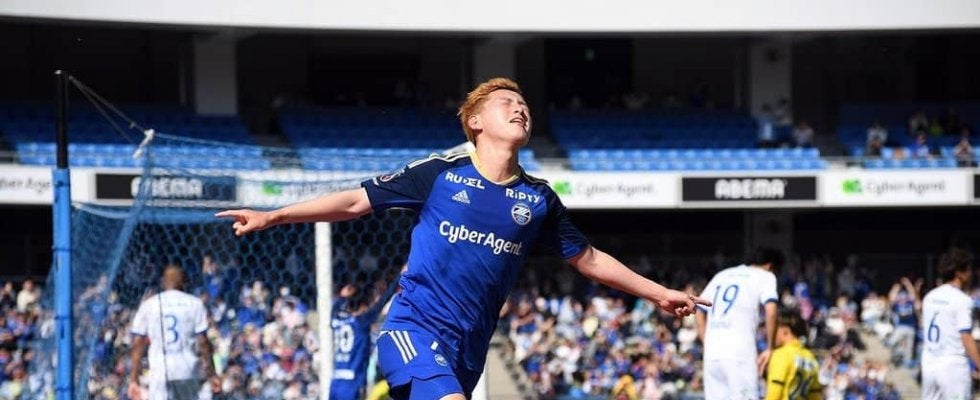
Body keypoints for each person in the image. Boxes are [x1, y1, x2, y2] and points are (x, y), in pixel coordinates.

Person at [216, 77, 709, 400]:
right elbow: (353, 202)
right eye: (506, 103)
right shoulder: (440, 173)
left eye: (524, 104)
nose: (520, 109)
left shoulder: (538, 198)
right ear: (475, 122)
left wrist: (658, 292)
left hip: (469, 349)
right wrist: (274, 216)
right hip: (412, 330)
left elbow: (590, 259)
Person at [696, 247, 783, 400]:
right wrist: (770, 348)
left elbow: (699, 309)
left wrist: (706, 341)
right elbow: (771, 311)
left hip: (712, 354)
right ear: (770, 266)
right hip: (740, 353)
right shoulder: (766, 276)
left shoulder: (722, 275)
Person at [128, 265, 219, 400]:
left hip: (160, 370)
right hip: (187, 369)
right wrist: (212, 374)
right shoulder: (194, 303)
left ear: (163, 282)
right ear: (184, 282)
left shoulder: (149, 305)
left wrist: (134, 378)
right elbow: (203, 341)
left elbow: (138, 343)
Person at [920, 248, 980, 400]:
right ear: (959, 273)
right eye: (968, 270)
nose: (971, 274)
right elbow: (965, 337)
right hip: (953, 366)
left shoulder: (929, 297)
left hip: (929, 363)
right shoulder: (962, 300)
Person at [330, 277, 400, 400]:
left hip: (336, 381)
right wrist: (399, 278)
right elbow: (382, 301)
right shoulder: (361, 322)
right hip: (352, 383)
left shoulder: (337, 321)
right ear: (363, 305)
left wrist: (342, 297)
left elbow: (333, 312)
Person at [764, 309, 821, 400]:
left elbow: (775, 393)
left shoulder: (781, 355)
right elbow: (815, 396)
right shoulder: (811, 358)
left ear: (785, 330)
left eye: (775, 328)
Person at [886, 277, 919, 368]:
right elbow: (891, 298)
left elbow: (913, 295)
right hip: (900, 326)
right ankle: (895, 356)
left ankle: (906, 364)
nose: (903, 298)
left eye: (904, 296)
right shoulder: (897, 305)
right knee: (891, 342)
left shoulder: (910, 303)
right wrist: (896, 287)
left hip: (911, 327)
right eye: (901, 297)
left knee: (909, 348)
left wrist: (908, 284)